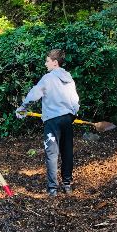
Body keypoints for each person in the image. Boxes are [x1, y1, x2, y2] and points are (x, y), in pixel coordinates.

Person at [15, 49, 80, 197]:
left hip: (52, 121)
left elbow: (34, 94)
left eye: (47, 61)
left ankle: (52, 189)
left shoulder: (48, 78)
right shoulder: (69, 79)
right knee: (67, 151)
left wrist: (22, 107)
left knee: (51, 153)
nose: (45, 64)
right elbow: (75, 101)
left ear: (55, 62)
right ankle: (67, 185)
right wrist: (72, 115)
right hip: (67, 119)